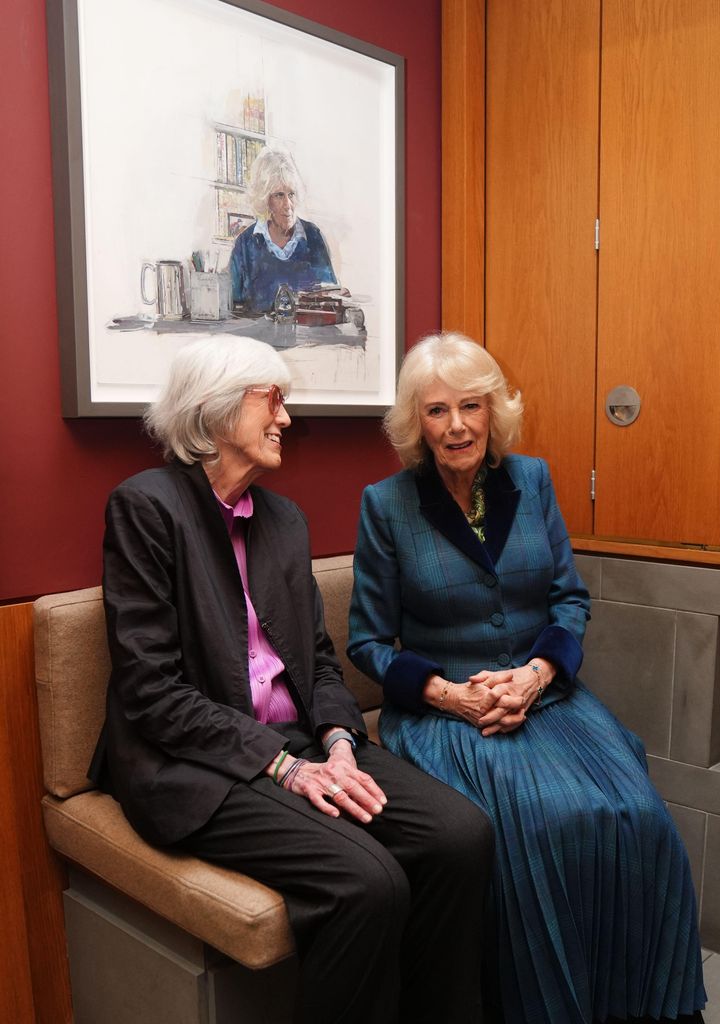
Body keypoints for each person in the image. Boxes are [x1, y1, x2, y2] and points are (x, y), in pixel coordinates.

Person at [88, 336, 493, 1024]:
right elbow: (152, 693)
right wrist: (285, 767)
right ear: (217, 409)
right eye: (272, 400)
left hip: (298, 743)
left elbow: (318, 659)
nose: (285, 418)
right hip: (196, 766)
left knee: (462, 835)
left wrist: (339, 742)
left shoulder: (282, 520)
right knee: (368, 882)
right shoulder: (147, 508)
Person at [348, 332, 706, 1024]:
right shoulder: (387, 504)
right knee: (539, 825)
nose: (457, 426)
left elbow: (569, 600)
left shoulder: (532, 480)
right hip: (448, 711)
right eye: (437, 410)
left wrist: (537, 675)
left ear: (494, 411)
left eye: (471, 406)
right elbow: (365, 642)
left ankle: (635, 1005)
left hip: (545, 696)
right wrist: (449, 694)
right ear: (417, 423)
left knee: (639, 817)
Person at [229, 148, 337, 314]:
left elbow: (330, 298)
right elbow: (232, 305)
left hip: (309, 331)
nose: (288, 205)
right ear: (265, 199)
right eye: (279, 195)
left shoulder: (313, 237)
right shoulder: (246, 243)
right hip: (258, 331)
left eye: (291, 194)